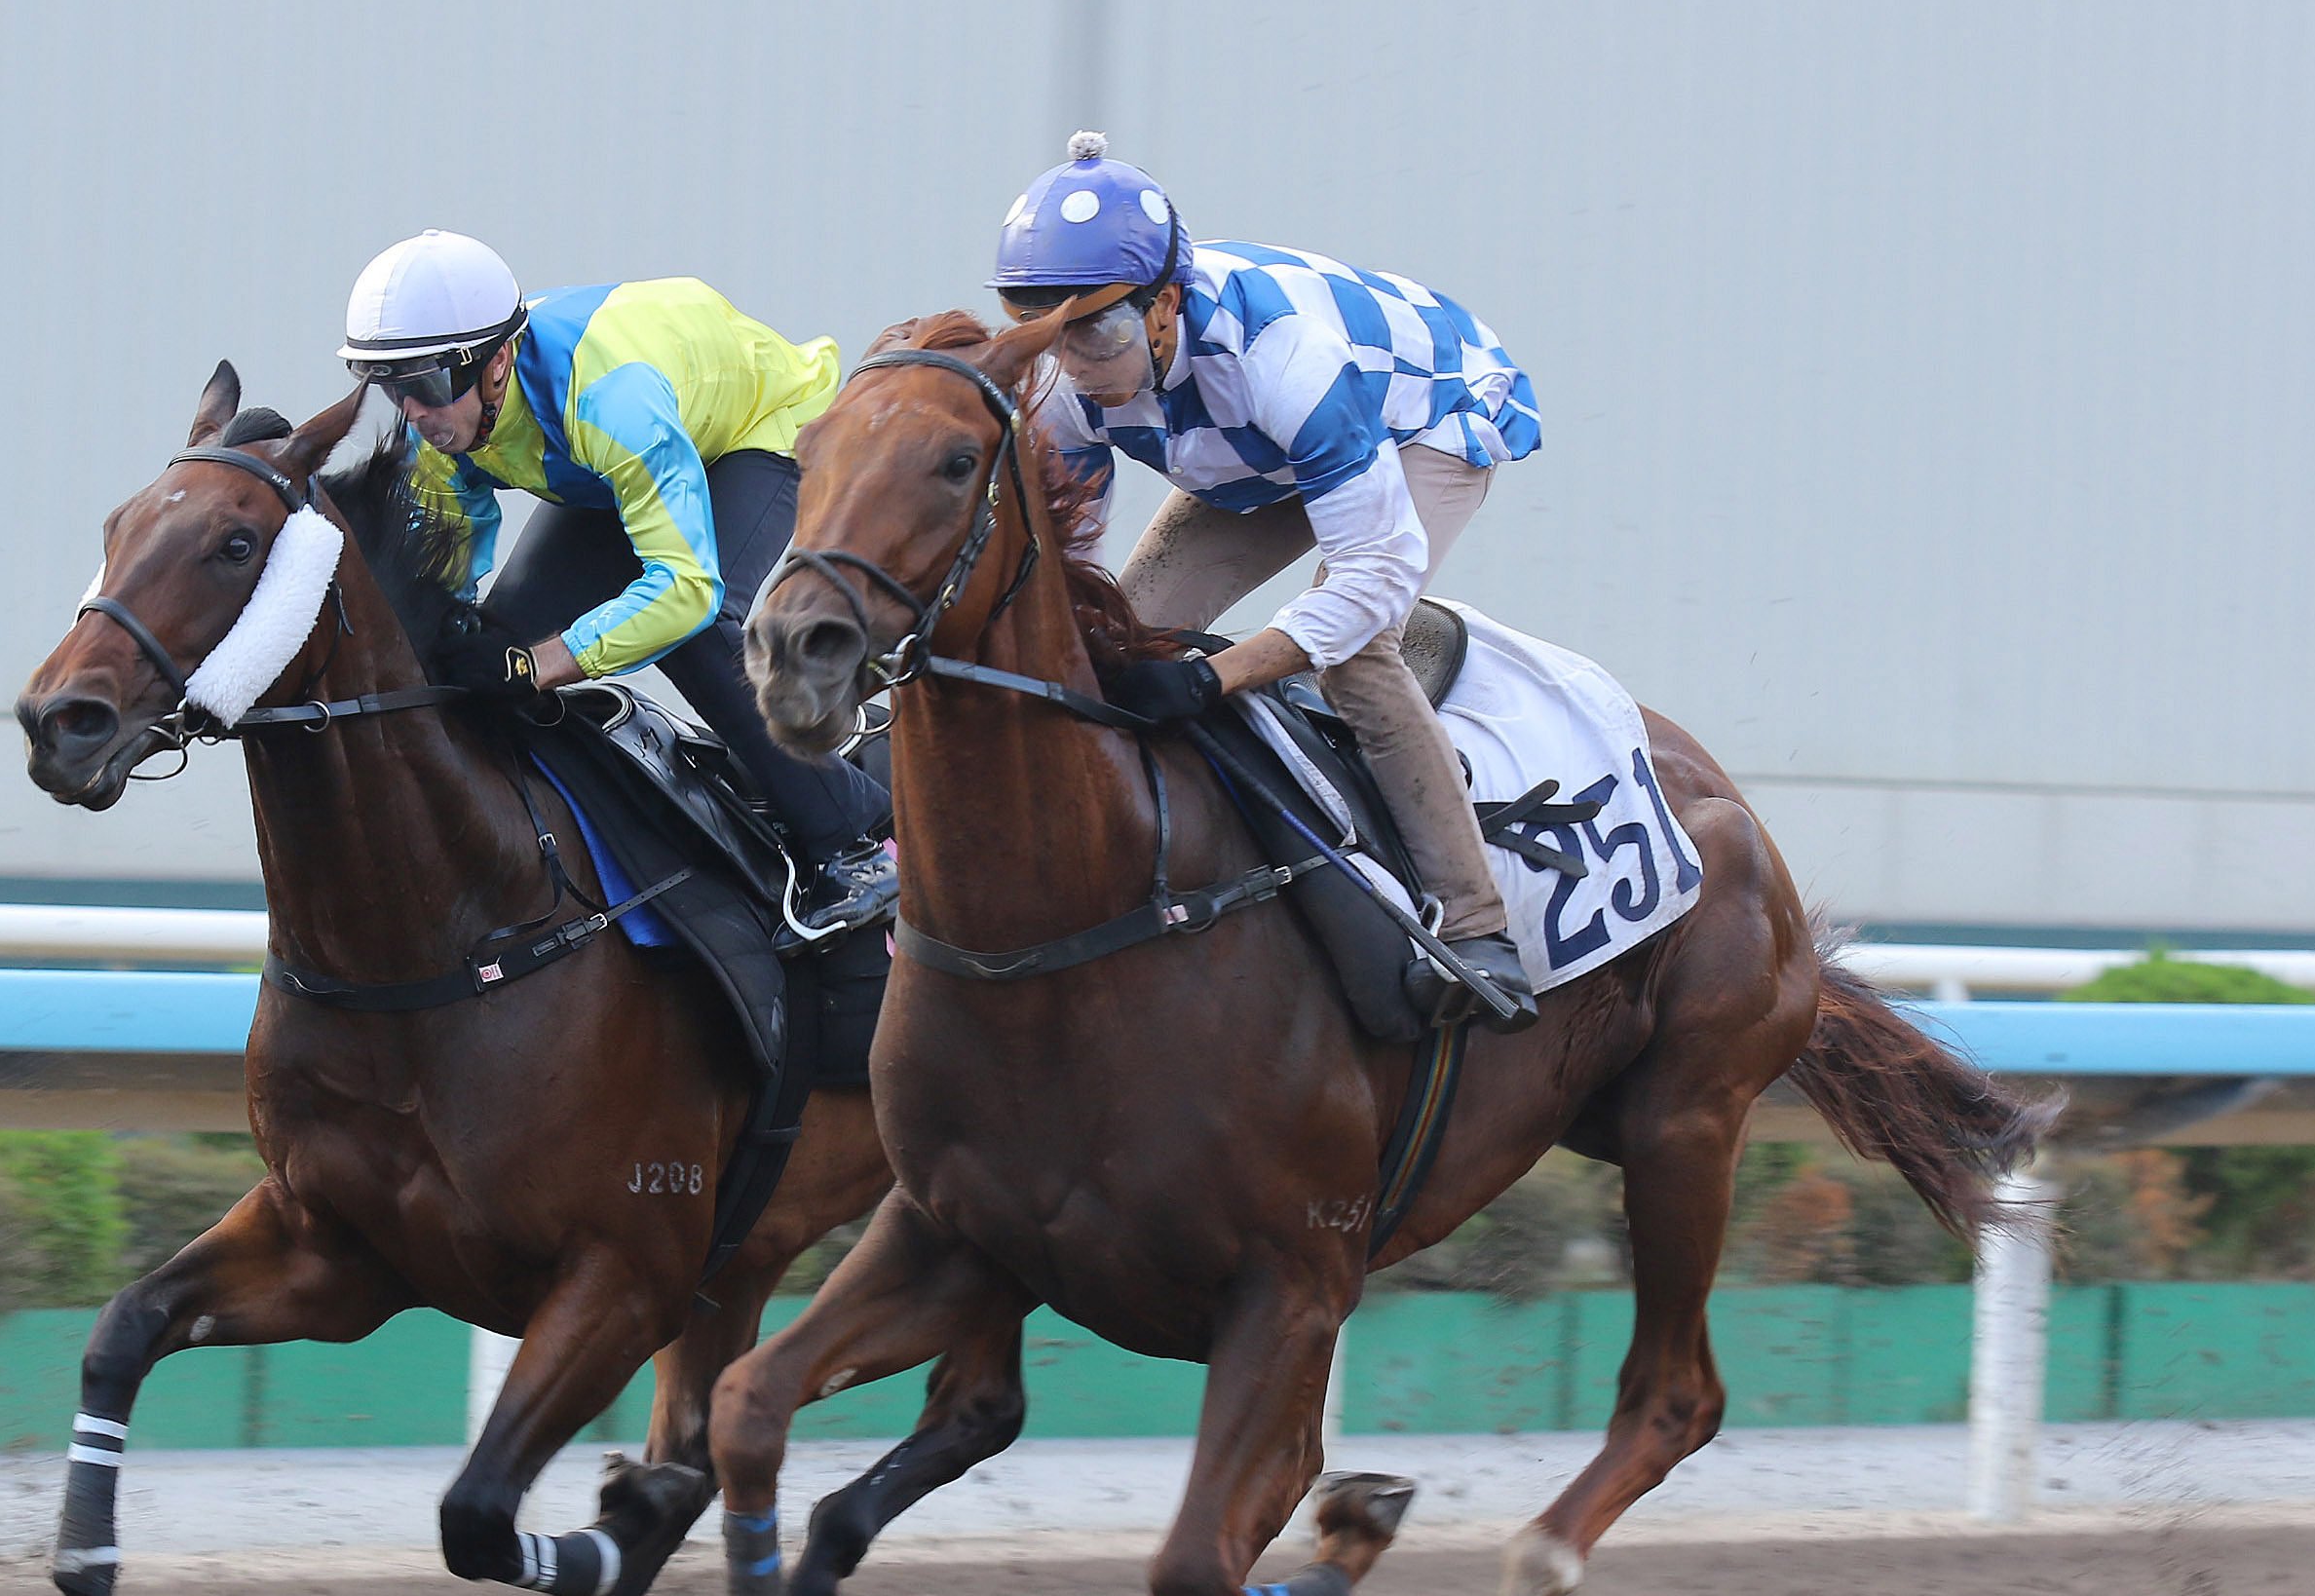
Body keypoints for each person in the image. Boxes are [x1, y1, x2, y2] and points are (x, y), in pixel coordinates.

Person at [990, 135, 1539, 1031]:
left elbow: (1372, 572)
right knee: (1110, 646)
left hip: (1419, 415)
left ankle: (1478, 931)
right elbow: (1063, 572)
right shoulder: (1059, 385)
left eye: (1100, 329)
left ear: (1164, 304)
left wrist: (1218, 674)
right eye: (1045, 333)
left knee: (1357, 656)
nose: (1077, 362)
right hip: (1255, 452)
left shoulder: (1283, 358)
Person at [340, 232, 897, 934]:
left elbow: (685, 590)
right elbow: (440, 594)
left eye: (425, 384)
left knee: (694, 632)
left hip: (755, 429)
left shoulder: (610, 398)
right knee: (494, 645)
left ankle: (855, 840)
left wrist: (543, 664)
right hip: (616, 463)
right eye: (395, 387)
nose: (414, 411)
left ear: (497, 362)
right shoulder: (442, 424)